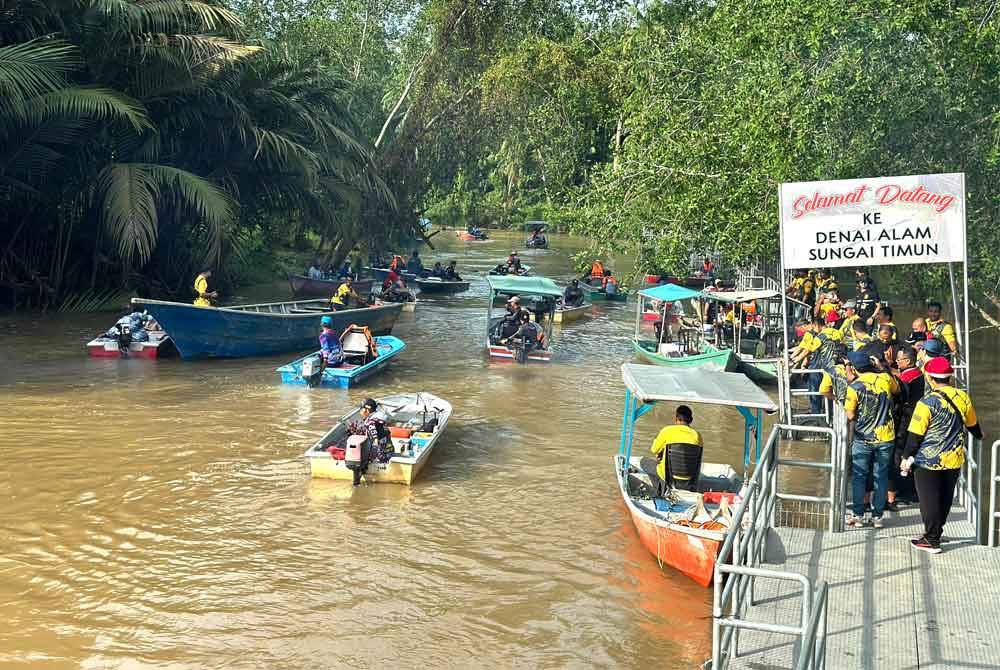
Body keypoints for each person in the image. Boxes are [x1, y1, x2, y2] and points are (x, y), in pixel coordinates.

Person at [900, 357, 982, 553]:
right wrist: (980, 435)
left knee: (929, 500)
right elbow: (973, 426)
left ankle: (931, 539)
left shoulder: (926, 402)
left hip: (929, 460)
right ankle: (935, 532)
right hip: (953, 458)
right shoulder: (963, 397)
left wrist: (906, 457)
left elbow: (915, 436)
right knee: (944, 498)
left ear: (929, 378)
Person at [844, 350, 901, 528]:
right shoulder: (884, 379)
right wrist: (882, 368)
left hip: (863, 438)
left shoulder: (854, 387)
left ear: (854, 368)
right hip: (886, 437)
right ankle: (878, 517)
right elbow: (897, 389)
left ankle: (858, 515)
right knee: (881, 476)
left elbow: (850, 414)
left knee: (860, 476)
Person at [640, 405, 703, 496]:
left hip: (668, 478)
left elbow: (654, 450)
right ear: (691, 419)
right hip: (689, 479)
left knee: (643, 462)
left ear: (676, 418)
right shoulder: (698, 436)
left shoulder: (667, 431)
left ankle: (659, 490)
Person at [890, 346, 924, 506]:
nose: (896, 362)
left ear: (908, 361)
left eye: (899, 360)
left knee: (901, 454)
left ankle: (906, 490)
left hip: (907, 420)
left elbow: (898, 390)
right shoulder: (916, 373)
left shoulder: (909, 377)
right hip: (914, 418)